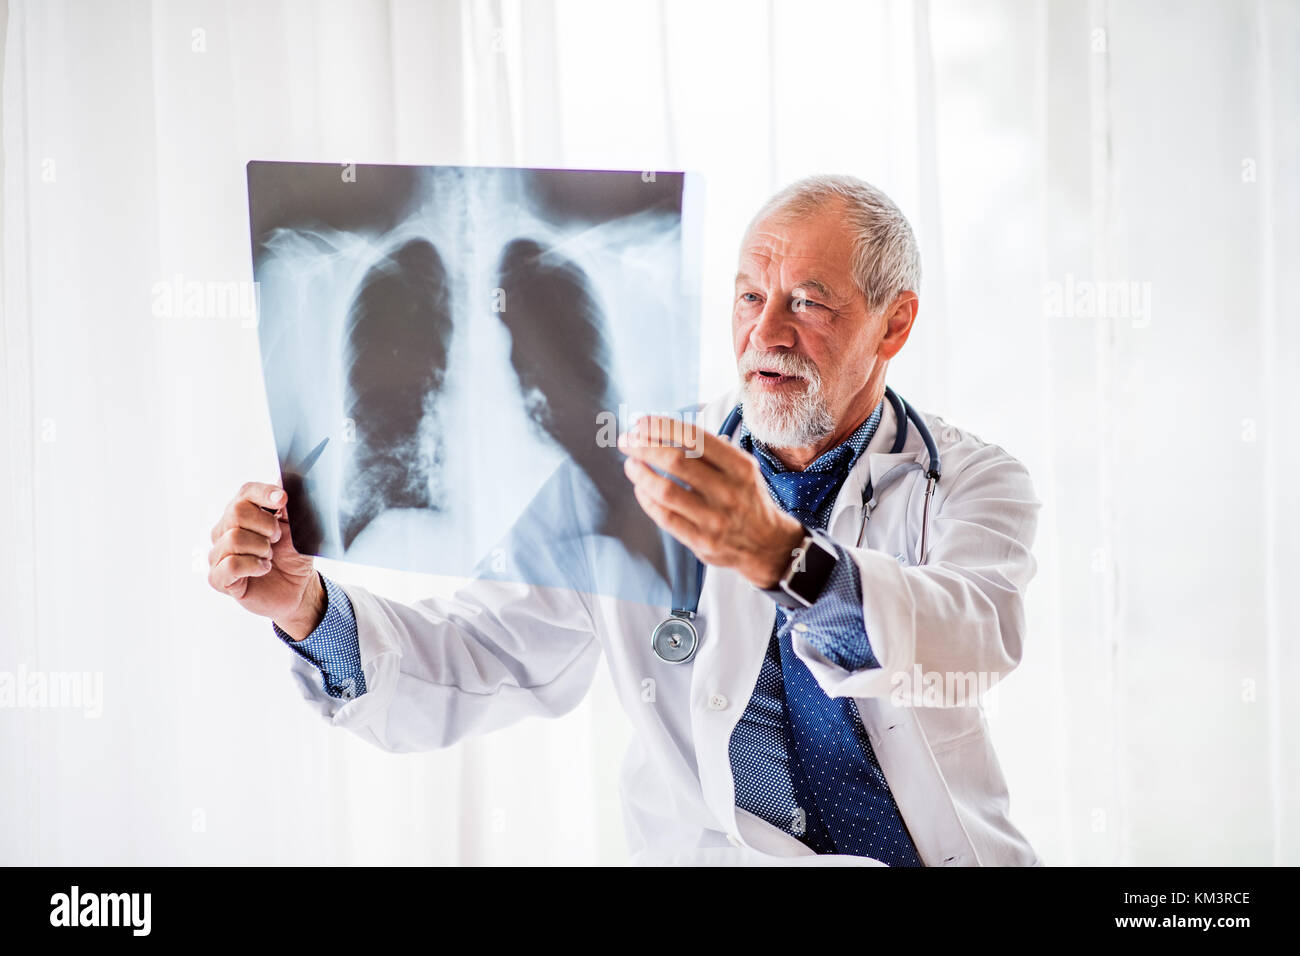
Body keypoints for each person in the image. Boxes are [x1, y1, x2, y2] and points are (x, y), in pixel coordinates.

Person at [208, 174, 1042, 866]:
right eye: (750, 295)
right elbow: (482, 653)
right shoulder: (630, 472)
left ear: (893, 322)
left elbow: (973, 638)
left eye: (809, 304)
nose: (766, 333)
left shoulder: (969, 481)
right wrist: (306, 609)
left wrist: (781, 555)